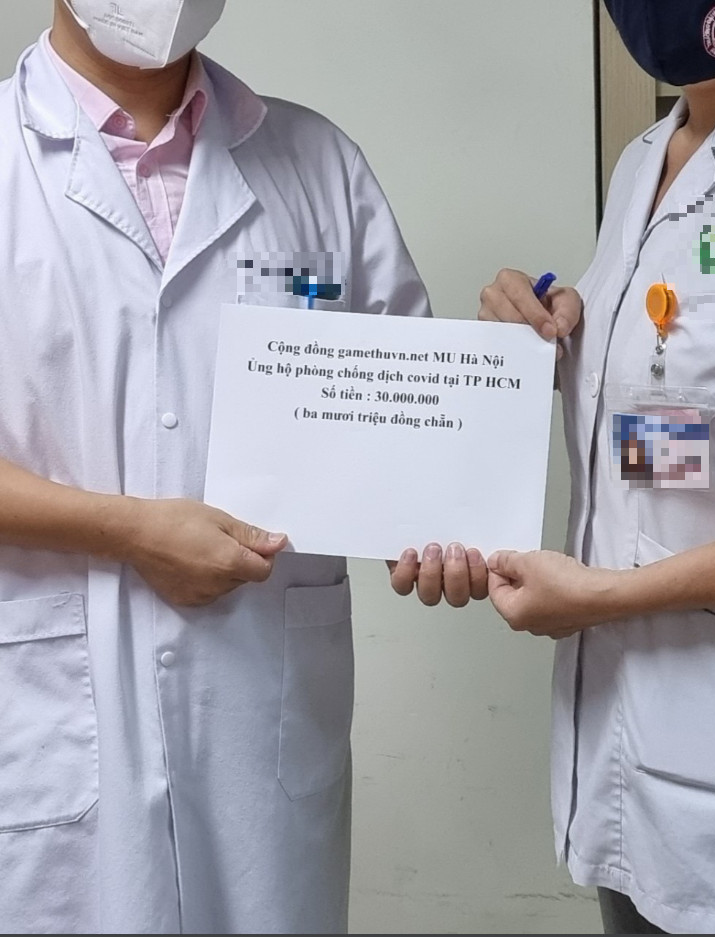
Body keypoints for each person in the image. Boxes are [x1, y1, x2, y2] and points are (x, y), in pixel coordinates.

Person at [0, 1, 430, 933]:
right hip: (52, 717)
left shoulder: (317, 163)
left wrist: (454, 491)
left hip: (260, 710)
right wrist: (127, 529)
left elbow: (410, 433)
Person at [392, 0, 715, 933]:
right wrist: (555, 344)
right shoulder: (645, 161)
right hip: (630, 786)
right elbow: (694, 437)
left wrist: (609, 597)